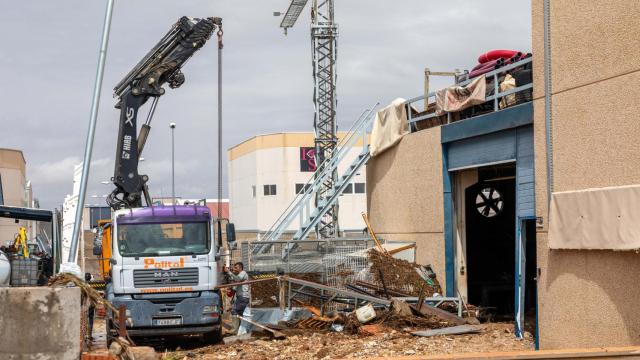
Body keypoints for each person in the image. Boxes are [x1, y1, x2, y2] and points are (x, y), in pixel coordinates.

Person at [224, 262, 249, 334]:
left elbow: (238, 279)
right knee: (240, 313)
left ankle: (235, 330)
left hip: (243, 297)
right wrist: (229, 289)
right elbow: (234, 289)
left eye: (236, 268)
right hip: (240, 297)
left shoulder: (243, 273)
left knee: (234, 311)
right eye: (234, 267)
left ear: (240, 268)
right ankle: (241, 331)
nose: (234, 269)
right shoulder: (238, 276)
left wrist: (229, 272)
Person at [84, 272, 96, 340]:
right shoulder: (92, 285)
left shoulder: (83, 284)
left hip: (86, 304)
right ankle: (89, 335)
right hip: (91, 304)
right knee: (90, 319)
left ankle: (86, 335)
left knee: (86, 318)